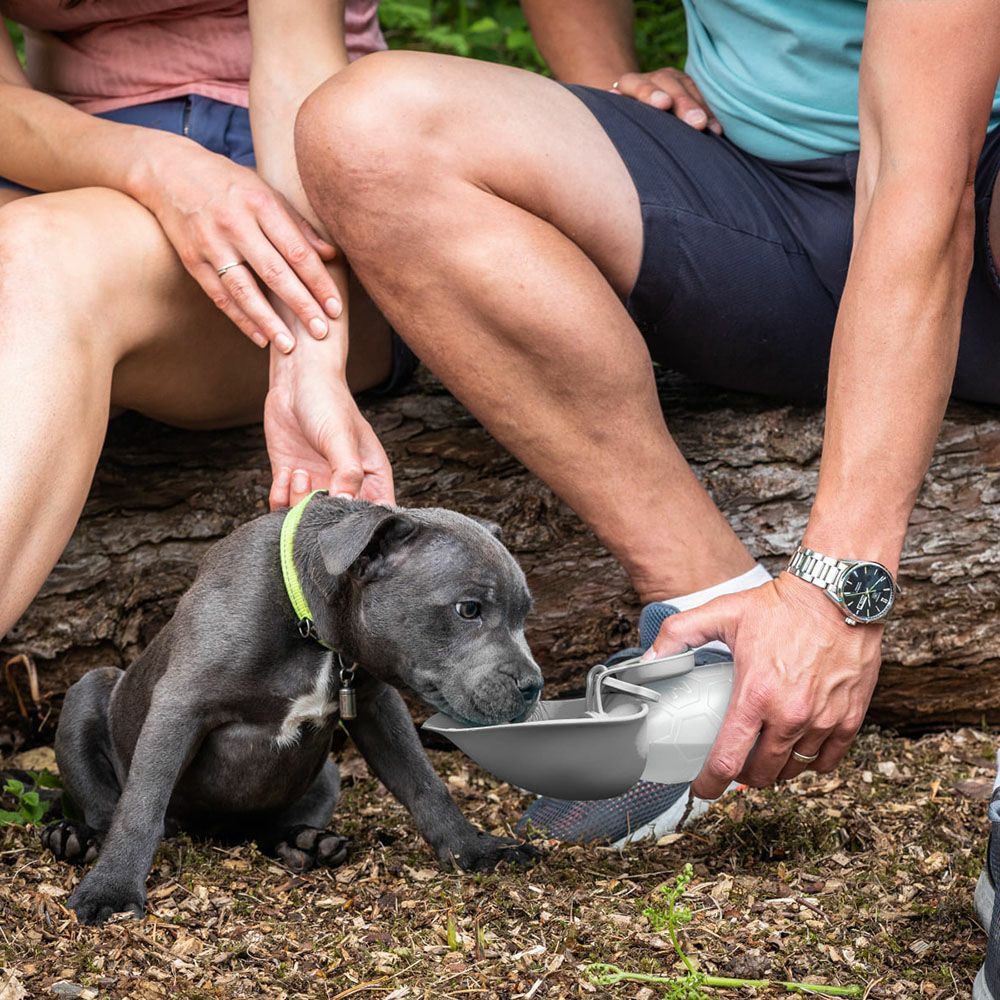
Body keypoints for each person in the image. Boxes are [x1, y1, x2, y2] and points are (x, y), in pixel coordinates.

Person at [287, 0, 1000, 855]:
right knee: (367, 131)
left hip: (968, 203)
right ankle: (711, 624)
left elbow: (923, 189)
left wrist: (836, 594)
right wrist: (610, 96)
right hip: (755, 201)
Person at [0, 0, 411, 644]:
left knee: (39, 257)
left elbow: (300, 77)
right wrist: (160, 169)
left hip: (300, 190)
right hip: (73, 167)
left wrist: (309, 361)